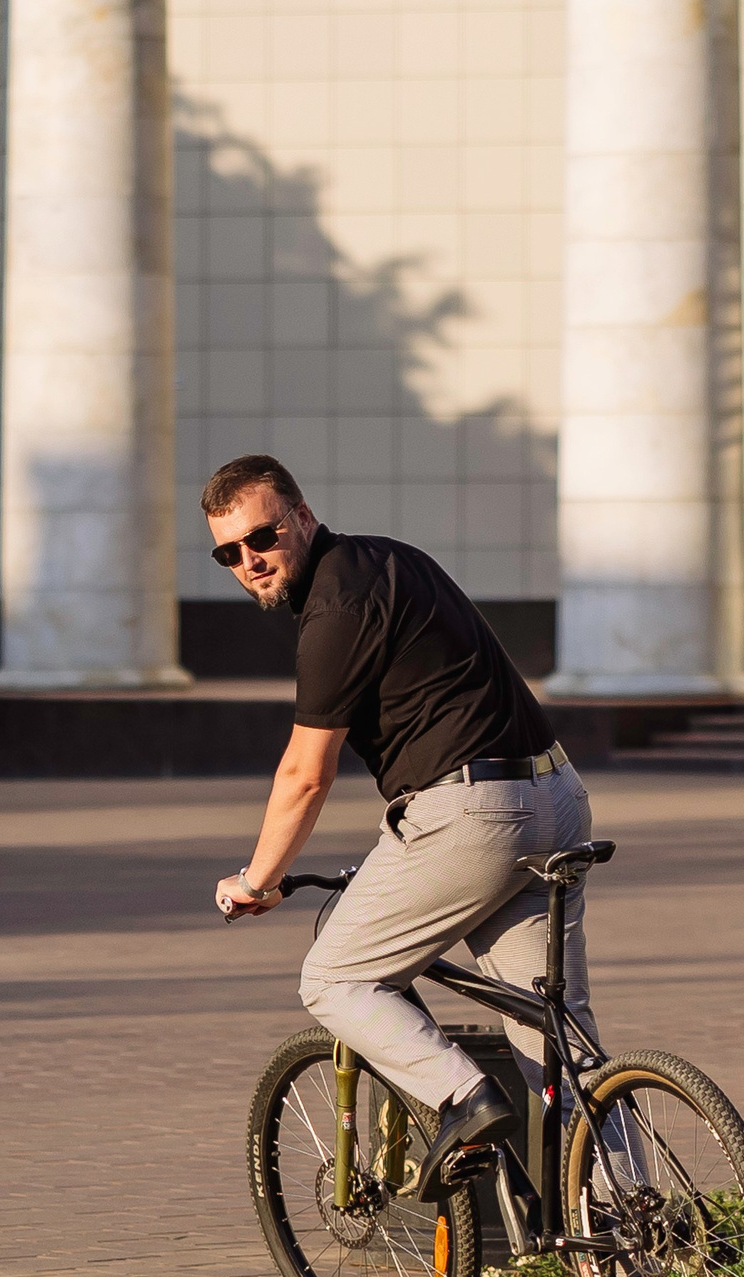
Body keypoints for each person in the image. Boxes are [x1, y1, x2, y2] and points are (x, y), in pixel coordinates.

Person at [208, 453, 592, 1187]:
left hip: (475, 814)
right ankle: (628, 1247)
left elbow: (305, 774)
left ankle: (465, 1099)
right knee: (556, 1042)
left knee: (334, 980)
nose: (251, 560)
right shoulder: (390, 561)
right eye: (230, 552)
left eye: (262, 536)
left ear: (302, 517)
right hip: (557, 795)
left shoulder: (334, 609)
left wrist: (260, 879)